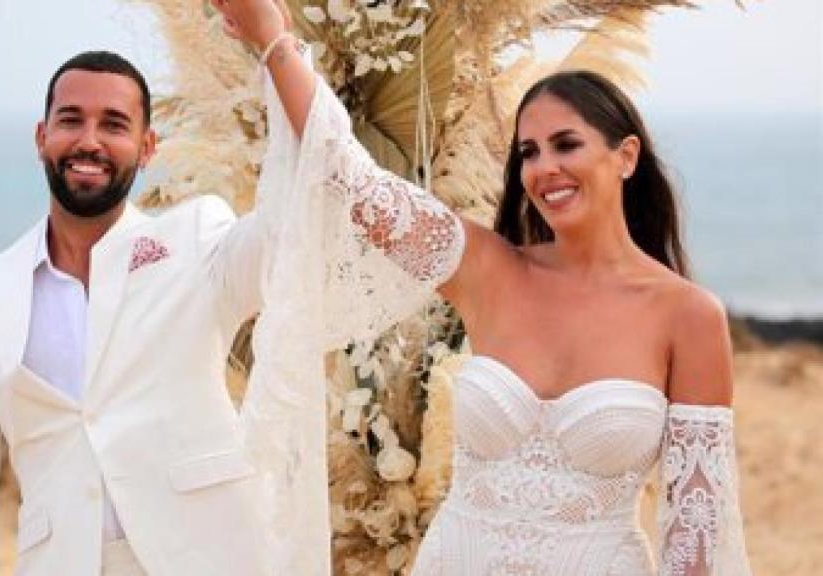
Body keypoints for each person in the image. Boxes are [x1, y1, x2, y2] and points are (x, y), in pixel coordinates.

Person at [211, 1, 754, 574]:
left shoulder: (688, 316)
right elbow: (352, 178)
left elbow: (696, 531)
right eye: (528, 152)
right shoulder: (487, 269)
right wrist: (274, 41)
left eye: (566, 144)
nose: (544, 168)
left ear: (626, 157)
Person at [0, 51, 275, 576]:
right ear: (42, 136)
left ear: (147, 147)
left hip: (208, 554)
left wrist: (278, 53)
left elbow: (288, 235)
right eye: (71, 120)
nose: (89, 140)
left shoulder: (197, 240)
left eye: (114, 124)